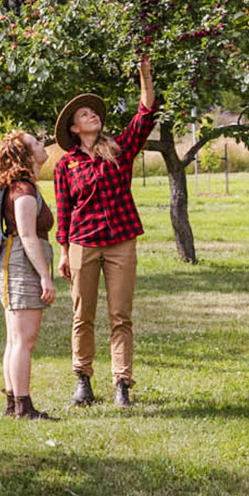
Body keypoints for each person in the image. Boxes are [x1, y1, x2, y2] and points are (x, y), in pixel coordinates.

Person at [52, 55, 159, 408]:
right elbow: (64, 212)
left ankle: (121, 385)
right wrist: (65, 253)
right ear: (74, 128)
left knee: (120, 315)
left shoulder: (119, 150)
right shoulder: (65, 165)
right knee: (82, 315)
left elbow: (145, 115)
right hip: (83, 243)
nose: (92, 115)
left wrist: (145, 75)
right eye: (84, 114)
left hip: (120, 241)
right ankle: (82, 381)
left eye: (93, 112)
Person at [0, 131, 59, 420]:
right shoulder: (24, 191)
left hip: (14, 261)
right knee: (23, 341)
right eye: (36, 143)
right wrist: (45, 276)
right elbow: (28, 235)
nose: (43, 145)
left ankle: (12, 404)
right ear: (26, 154)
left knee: (15, 339)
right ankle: (23, 407)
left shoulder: (21, 186)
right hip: (20, 263)